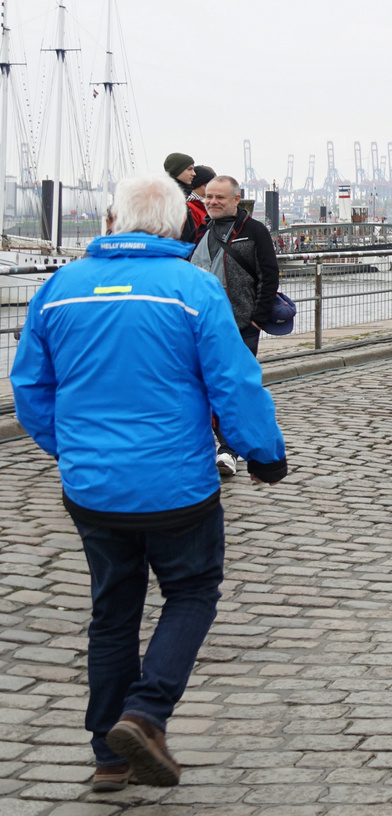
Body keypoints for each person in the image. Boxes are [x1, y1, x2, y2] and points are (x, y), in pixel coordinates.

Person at [12, 174, 286, 791]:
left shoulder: (59, 289)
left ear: (112, 221)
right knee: (191, 592)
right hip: (177, 485)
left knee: (112, 611)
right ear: (177, 225)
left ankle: (108, 756)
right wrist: (263, 452)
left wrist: (73, 449)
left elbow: (29, 389)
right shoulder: (192, 289)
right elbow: (234, 384)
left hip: (92, 489)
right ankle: (147, 712)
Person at [191, 176, 279, 358]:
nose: (212, 202)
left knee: (238, 380)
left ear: (236, 199)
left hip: (242, 325)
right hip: (201, 324)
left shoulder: (254, 231)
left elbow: (269, 277)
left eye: (220, 197)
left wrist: (256, 321)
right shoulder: (200, 231)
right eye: (209, 196)